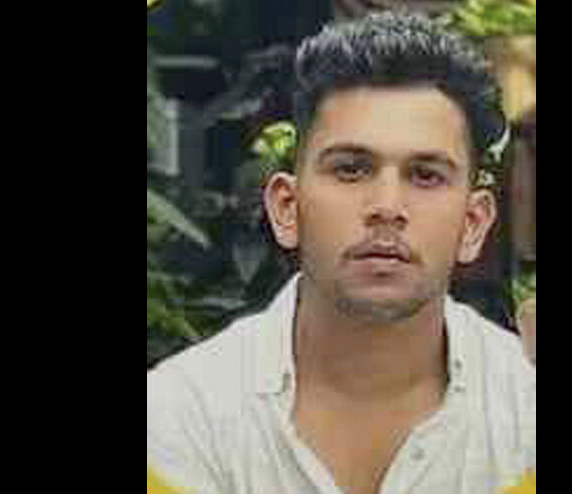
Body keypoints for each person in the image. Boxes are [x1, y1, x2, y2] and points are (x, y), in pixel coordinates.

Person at [147, 12, 536, 494]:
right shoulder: (179, 417)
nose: (387, 207)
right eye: (351, 169)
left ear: (473, 223)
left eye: (426, 175)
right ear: (286, 208)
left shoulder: (525, 409)